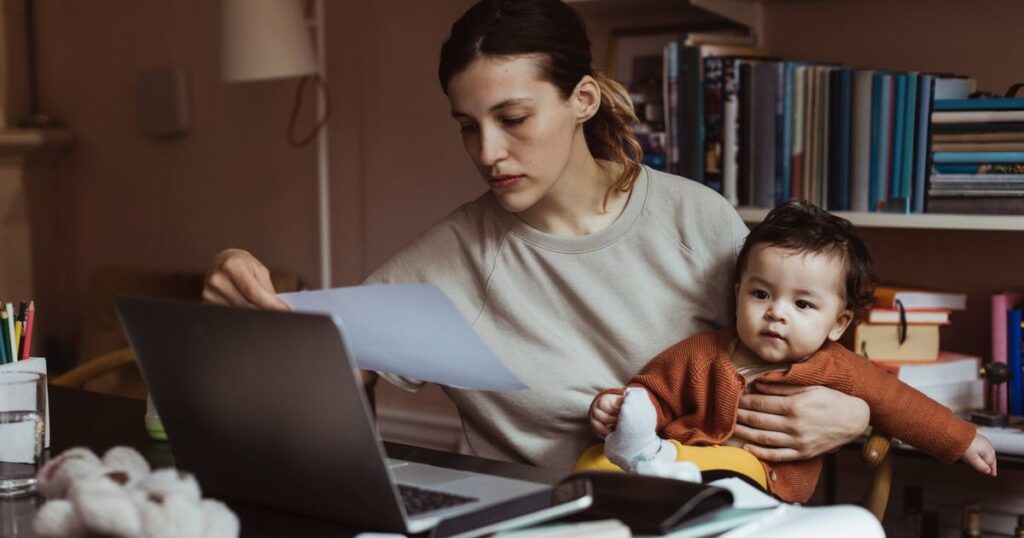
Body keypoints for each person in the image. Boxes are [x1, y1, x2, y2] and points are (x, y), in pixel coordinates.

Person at [202, 0, 871, 472]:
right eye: (468, 126)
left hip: (702, 512)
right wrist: (242, 300)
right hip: (530, 521)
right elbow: (324, 371)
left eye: (513, 118)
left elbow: (801, 345)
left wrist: (855, 416)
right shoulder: (450, 258)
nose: (488, 151)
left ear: (583, 99)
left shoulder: (695, 219)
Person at [585, 201, 997, 502]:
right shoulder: (701, 353)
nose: (776, 313)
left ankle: (661, 476)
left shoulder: (838, 368)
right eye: (761, 294)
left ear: (838, 323)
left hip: (760, 485)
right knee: (592, 462)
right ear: (738, 294)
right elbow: (654, 393)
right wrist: (619, 408)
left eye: (802, 304)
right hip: (678, 464)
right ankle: (647, 470)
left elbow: (899, 403)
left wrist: (961, 440)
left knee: (733, 467)